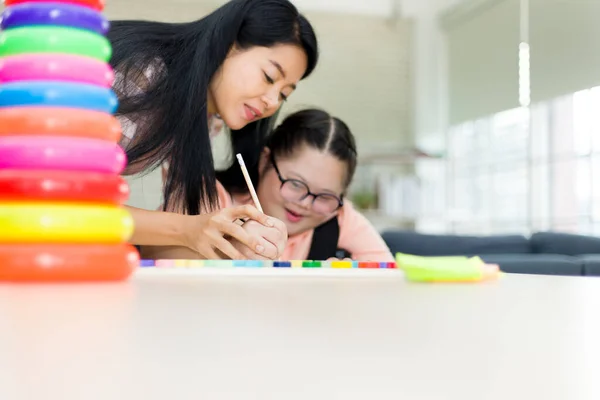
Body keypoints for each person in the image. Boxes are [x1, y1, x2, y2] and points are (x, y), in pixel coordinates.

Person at [107, 0, 319, 260]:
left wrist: (233, 242)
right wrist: (188, 230)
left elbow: (173, 246)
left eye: (284, 94)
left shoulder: (207, 119)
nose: (272, 102)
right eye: (269, 77)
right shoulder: (145, 74)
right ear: (228, 44)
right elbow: (66, 207)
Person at [143, 109, 394, 262]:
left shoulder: (338, 217)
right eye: (295, 184)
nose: (305, 203)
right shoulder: (214, 199)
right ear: (265, 161)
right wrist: (233, 248)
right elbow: (155, 254)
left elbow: (388, 275)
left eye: (325, 196)